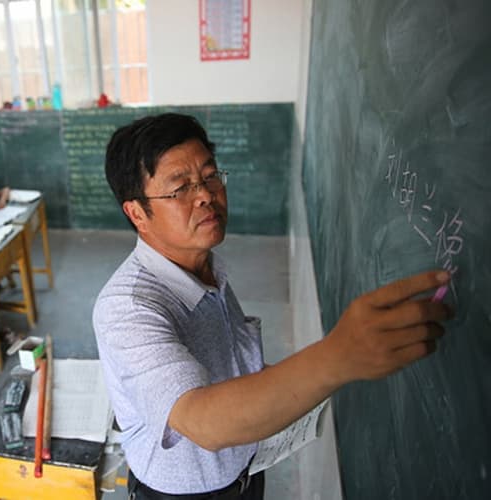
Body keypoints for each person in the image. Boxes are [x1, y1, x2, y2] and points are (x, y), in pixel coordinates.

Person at [92, 113, 451, 499]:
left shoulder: (205, 265)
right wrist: (335, 357)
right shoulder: (127, 308)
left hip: (245, 473)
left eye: (210, 176)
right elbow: (202, 422)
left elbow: (228, 369)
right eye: (180, 189)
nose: (206, 195)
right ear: (136, 213)